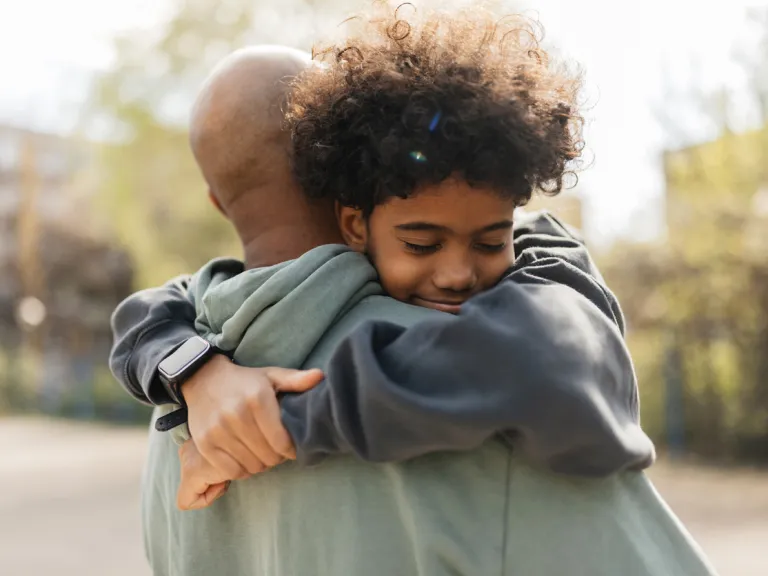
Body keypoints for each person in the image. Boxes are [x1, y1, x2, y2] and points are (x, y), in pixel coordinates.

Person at [111, 7, 716, 576]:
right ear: (352, 201)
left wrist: (200, 374)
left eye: (491, 239)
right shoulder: (488, 393)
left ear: (217, 201)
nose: (458, 274)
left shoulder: (176, 422)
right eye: (423, 243)